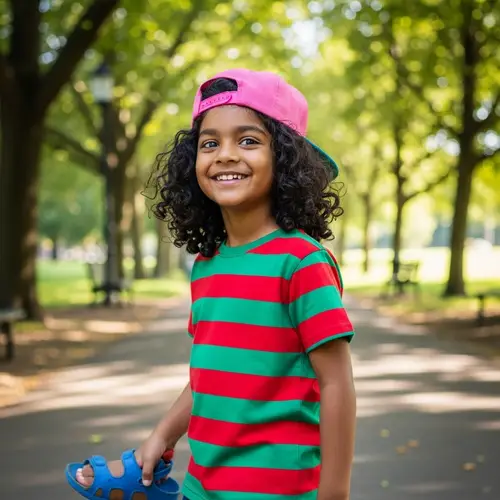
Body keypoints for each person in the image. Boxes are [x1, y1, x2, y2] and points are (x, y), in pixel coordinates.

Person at [66, 68, 357, 500]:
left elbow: (337, 384)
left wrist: (334, 492)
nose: (225, 154)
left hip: (277, 491)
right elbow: (209, 375)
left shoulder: (301, 263)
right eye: (209, 143)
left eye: (248, 140)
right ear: (192, 166)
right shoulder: (206, 266)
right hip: (201, 485)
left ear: (287, 159)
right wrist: (162, 435)